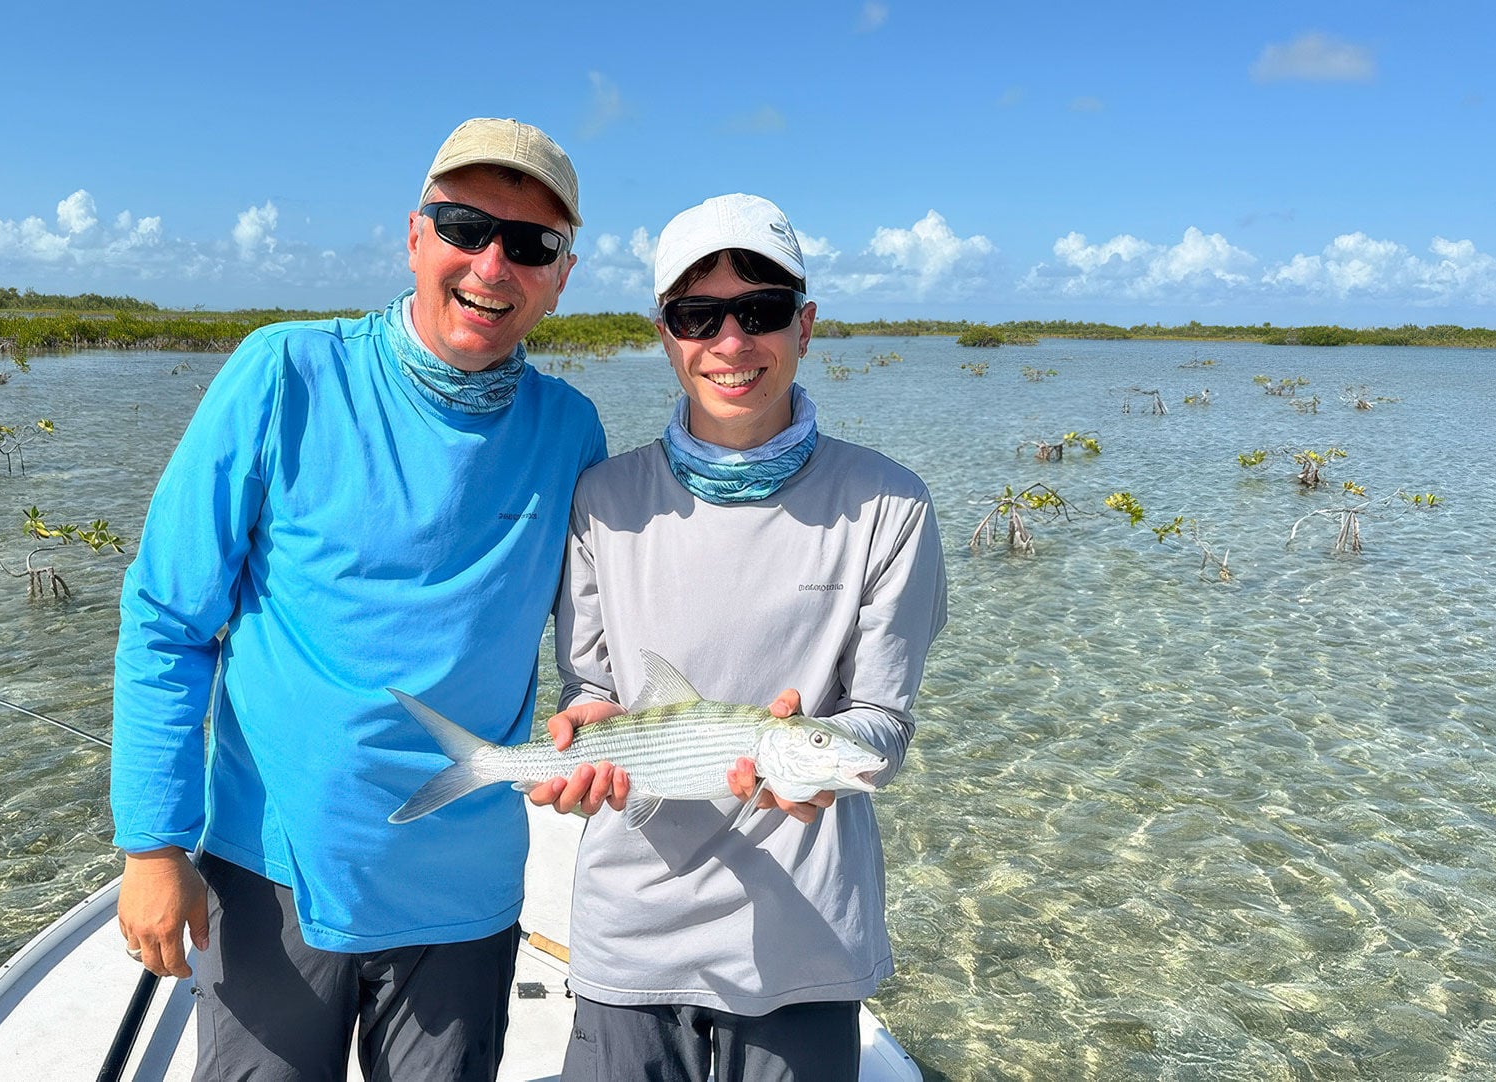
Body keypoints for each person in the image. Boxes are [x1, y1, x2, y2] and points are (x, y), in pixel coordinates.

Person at [110, 117, 606, 1081]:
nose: (492, 265)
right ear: (416, 234)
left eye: (531, 244)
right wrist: (152, 846)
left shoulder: (570, 429)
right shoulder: (282, 373)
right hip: (275, 873)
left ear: (561, 274)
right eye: (465, 227)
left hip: (463, 895)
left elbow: (600, 647)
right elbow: (169, 620)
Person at [528, 193, 947, 1081]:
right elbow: (592, 686)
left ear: (806, 325)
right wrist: (586, 730)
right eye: (697, 314)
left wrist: (827, 758)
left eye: (759, 311)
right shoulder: (601, 499)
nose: (730, 342)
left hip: (805, 940)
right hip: (629, 931)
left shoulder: (891, 505)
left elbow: (882, 721)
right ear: (665, 332)